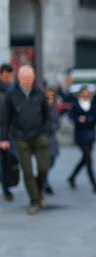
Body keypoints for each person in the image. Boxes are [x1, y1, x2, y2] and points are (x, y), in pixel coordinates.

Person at [0, 65, 51, 215]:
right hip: (20, 137)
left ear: (33, 78)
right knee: (27, 171)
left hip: (39, 135)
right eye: (24, 79)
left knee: (44, 167)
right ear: (19, 78)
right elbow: (5, 119)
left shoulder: (40, 94)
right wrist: (4, 139)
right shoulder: (12, 95)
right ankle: (35, 201)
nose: (26, 82)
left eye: (29, 79)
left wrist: (45, 131)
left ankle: (38, 189)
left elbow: (47, 115)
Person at [67, 87, 96, 194]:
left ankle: (72, 177)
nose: (86, 96)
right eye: (83, 94)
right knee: (88, 159)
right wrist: (85, 120)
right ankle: (94, 184)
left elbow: (95, 118)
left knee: (85, 159)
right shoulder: (76, 105)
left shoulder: (93, 105)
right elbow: (74, 119)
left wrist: (85, 119)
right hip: (81, 136)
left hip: (90, 135)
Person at [0, 63, 16, 201]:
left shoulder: (14, 89)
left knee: (8, 160)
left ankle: (7, 187)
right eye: (5, 75)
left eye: (10, 75)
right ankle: (6, 187)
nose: (8, 78)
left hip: (10, 130)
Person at [44, 88, 61, 195]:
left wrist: (53, 128)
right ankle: (45, 183)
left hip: (52, 139)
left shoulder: (53, 108)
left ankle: (42, 179)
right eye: (48, 97)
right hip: (42, 138)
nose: (50, 99)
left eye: (52, 97)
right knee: (44, 163)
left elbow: (57, 122)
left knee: (52, 160)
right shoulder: (39, 108)